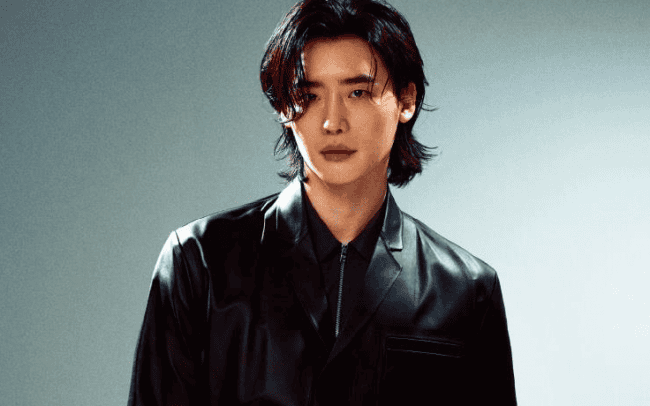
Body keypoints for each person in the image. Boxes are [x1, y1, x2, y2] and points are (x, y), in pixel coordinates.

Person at [128, 0, 517, 405]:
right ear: (284, 107)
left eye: (358, 92)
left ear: (406, 100)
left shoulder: (466, 289)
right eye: (309, 95)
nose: (333, 122)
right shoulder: (200, 261)